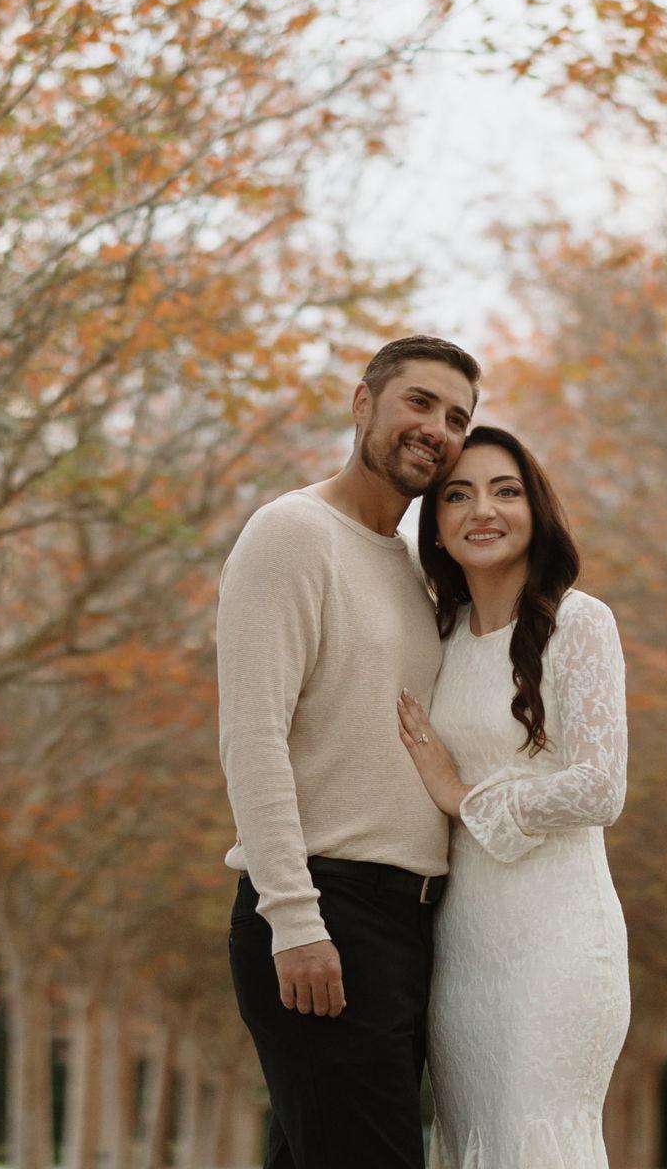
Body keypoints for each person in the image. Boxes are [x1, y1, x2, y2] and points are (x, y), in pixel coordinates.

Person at [218, 334, 481, 1169]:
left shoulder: (416, 570)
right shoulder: (293, 532)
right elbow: (252, 735)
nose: (437, 428)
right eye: (420, 402)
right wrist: (294, 919)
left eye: (457, 418)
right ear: (363, 403)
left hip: (411, 922)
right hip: (325, 908)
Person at [396, 424, 631, 1169]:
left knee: (538, 1136)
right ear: (436, 524)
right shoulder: (439, 638)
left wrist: (461, 795)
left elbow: (600, 788)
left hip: (558, 939)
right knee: (474, 1139)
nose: (482, 511)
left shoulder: (579, 622)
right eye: (457, 495)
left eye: (505, 491)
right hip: (462, 948)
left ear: (536, 509)